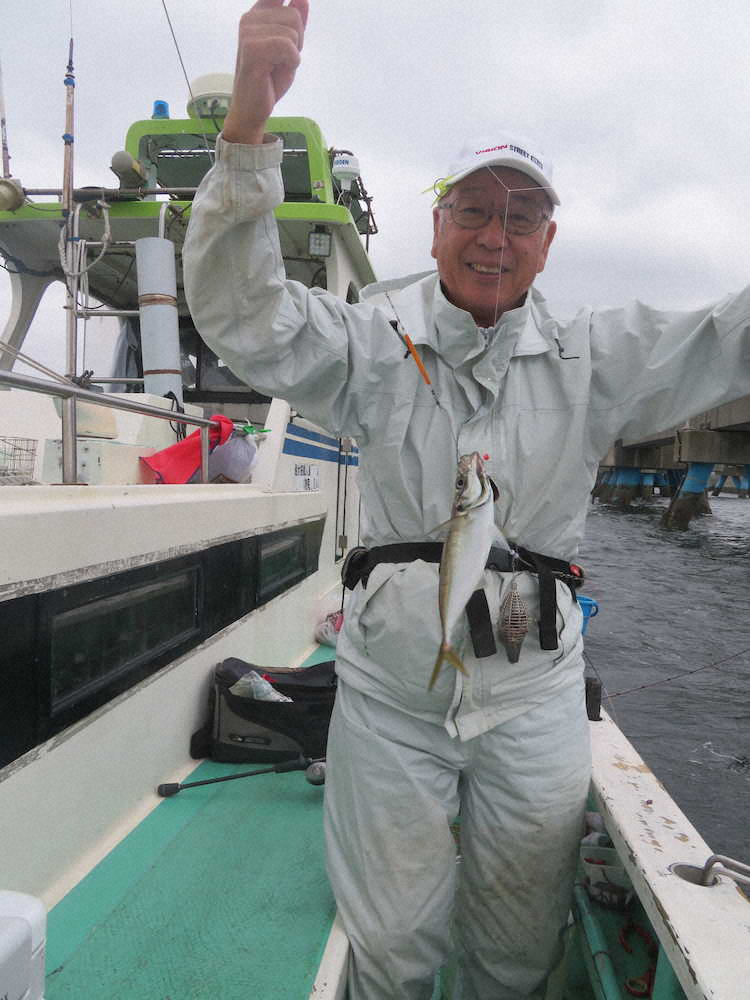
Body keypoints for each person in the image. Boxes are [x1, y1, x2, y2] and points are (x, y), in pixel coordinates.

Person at [182, 3, 750, 997]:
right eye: (474, 211)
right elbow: (246, 313)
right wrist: (245, 130)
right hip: (391, 696)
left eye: (520, 216)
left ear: (549, 239)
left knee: (517, 945)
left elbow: (726, 337)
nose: (496, 236)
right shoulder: (369, 338)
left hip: (532, 698)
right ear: (436, 222)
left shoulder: (598, 353)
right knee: (393, 942)